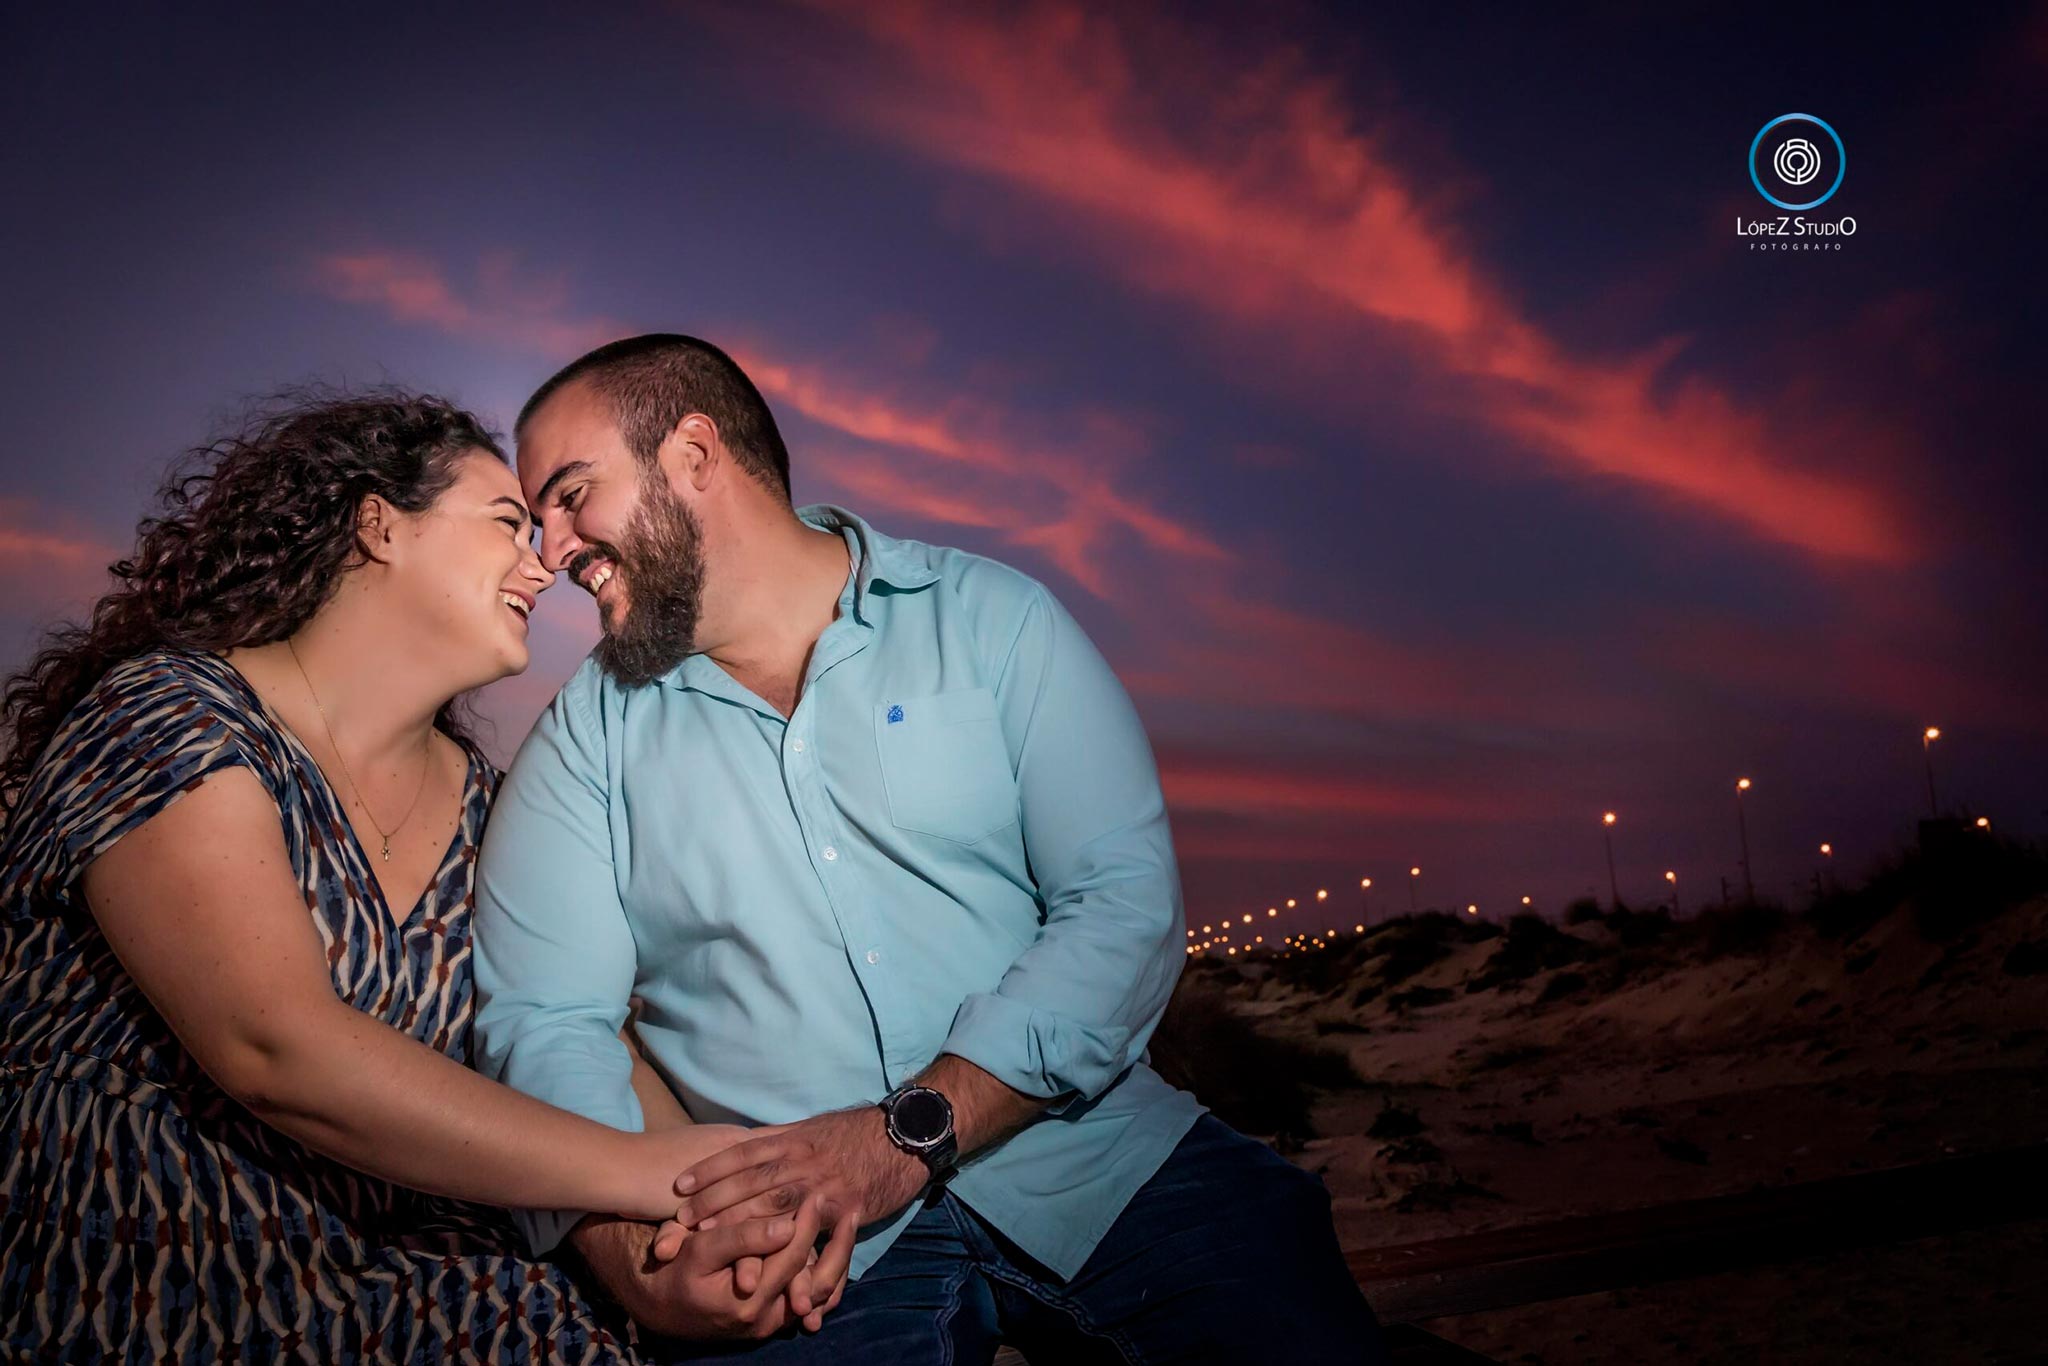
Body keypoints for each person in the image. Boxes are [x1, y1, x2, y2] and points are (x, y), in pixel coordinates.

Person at [474, 336, 1388, 1362]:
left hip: (1099, 1163)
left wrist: (898, 1136)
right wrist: (633, 1256)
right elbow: (544, 1017)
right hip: (791, 1242)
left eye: (570, 496)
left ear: (693, 454)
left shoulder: (994, 620)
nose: (549, 550)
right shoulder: (585, 737)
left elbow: (1121, 901)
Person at [0, 391, 847, 1363]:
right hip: (135, 1272)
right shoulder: (167, 713)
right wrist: (639, 1170)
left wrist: (709, 1216)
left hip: (410, 1283)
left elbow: (581, 1030)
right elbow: (273, 1047)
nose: (545, 566)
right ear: (379, 525)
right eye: (505, 524)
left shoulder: (497, 811)